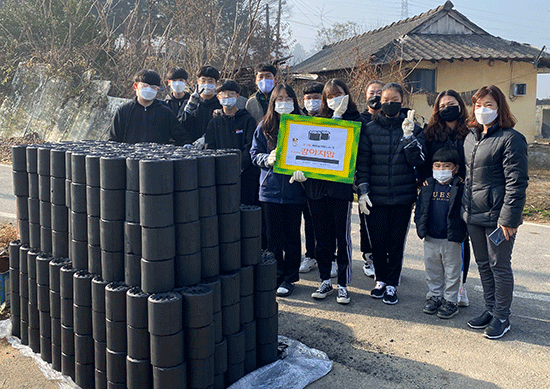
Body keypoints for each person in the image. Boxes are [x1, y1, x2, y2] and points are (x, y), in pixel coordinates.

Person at [292, 79, 367, 305]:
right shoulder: (316, 122)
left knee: (341, 239)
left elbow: (359, 156)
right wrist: (298, 170)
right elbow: (304, 150)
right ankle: (325, 279)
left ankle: (343, 283)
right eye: (330, 95)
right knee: (321, 237)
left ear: (347, 95)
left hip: (339, 190)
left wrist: (362, 188)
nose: (334, 99)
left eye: (339, 94)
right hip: (316, 189)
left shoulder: (356, 122)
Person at [462, 85, 528, 339]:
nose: (482, 110)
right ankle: (490, 309)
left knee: (499, 266)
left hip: (499, 218)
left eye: (488, 105)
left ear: (500, 108)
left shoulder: (511, 139)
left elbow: (517, 182)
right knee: (482, 265)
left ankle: (502, 316)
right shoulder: (471, 138)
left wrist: (509, 219)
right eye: (478, 105)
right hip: (473, 215)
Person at [355, 82, 426, 305]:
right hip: (375, 197)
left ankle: (392, 284)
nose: (389, 104)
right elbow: (362, 164)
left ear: (402, 102)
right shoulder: (369, 129)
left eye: (394, 100)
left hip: (402, 197)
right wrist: (363, 191)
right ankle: (380, 280)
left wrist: (408, 138)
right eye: (385, 101)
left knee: (396, 243)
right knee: (377, 242)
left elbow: (418, 162)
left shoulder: (414, 128)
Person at [250, 84, 306, 297]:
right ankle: (275, 275)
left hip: (295, 190)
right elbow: (254, 153)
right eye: (279, 98)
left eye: (288, 98)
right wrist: (267, 159)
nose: (284, 102)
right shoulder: (264, 126)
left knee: (292, 237)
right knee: (273, 238)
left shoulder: (302, 125)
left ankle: (290, 278)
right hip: (270, 190)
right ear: (272, 102)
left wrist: (306, 172)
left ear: (294, 101)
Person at [423, 90, 471, 307]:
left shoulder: (470, 132)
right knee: (436, 249)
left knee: (460, 241)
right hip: (437, 190)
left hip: (463, 190)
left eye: (451, 104)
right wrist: (425, 180)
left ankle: (460, 287)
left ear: (460, 106)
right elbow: (424, 161)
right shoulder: (431, 132)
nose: (446, 108)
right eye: (442, 106)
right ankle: (436, 291)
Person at [415, 148, 467, 319]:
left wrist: (462, 233)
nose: (441, 169)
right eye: (437, 166)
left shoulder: (460, 188)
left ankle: (451, 300)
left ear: (455, 168)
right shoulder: (428, 186)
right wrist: (419, 226)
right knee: (433, 269)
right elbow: (420, 209)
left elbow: (465, 212)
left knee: (452, 271)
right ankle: (435, 296)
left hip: (451, 238)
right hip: (430, 236)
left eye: (446, 166)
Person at [205, 80, 259, 205]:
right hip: (220, 175)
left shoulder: (247, 120)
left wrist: (238, 166)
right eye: (223, 94)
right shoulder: (214, 122)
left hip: (245, 175)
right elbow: (209, 147)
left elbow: (250, 146)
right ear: (218, 97)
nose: (227, 97)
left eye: (231, 94)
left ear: (237, 96)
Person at [108, 69, 183, 145]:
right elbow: (113, 140)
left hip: (158, 155)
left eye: (153, 87)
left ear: (157, 90)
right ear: (135, 86)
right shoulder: (123, 111)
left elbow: (181, 137)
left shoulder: (166, 112)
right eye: (145, 86)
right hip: (129, 155)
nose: (149, 89)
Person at [297, 81, 324, 274]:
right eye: (308, 99)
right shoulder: (297, 120)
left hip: (325, 178)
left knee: (326, 221)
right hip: (302, 179)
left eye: (316, 98)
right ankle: (310, 255)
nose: (312, 102)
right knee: (308, 219)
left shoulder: (330, 120)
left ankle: (329, 256)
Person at [359, 80, 384, 278]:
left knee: (384, 224)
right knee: (365, 221)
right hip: (364, 178)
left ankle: (385, 258)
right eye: (371, 92)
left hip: (385, 180)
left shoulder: (394, 119)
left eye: (379, 92)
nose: (375, 95)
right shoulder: (359, 119)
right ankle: (369, 257)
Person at [178, 65, 222, 147]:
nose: (206, 84)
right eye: (203, 81)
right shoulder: (189, 103)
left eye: (210, 81)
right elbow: (180, 126)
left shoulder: (220, 104)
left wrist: (207, 138)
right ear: (198, 82)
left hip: (213, 150)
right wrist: (191, 106)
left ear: (217, 84)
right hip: (191, 149)